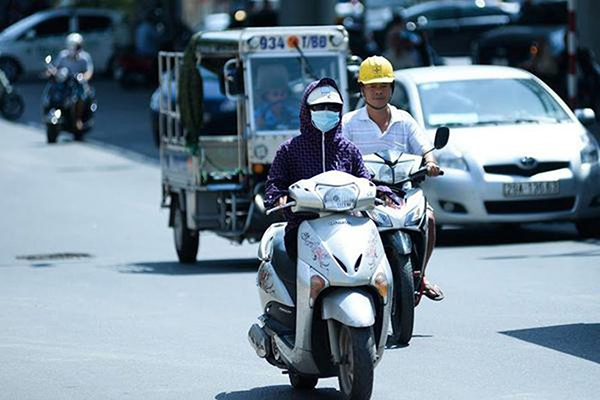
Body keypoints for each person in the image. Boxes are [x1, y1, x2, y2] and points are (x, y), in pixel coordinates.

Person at [342, 55, 445, 302]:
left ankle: (420, 276)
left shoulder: (404, 119)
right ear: (362, 90)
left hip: (403, 191)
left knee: (429, 219)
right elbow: (340, 155)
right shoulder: (349, 123)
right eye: (373, 86)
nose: (378, 92)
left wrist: (430, 163)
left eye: (384, 86)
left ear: (392, 88)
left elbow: (425, 148)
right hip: (365, 196)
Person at [265, 77, 396, 260]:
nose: (327, 112)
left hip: (348, 224)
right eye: (320, 108)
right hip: (304, 224)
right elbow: (275, 183)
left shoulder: (348, 149)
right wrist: (278, 197)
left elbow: (365, 180)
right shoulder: (289, 149)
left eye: (333, 108)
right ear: (307, 110)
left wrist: (381, 192)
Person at [50, 32, 94, 131]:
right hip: (65, 82)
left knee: (80, 96)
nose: (75, 49)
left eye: (77, 46)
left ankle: (78, 119)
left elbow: (89, 71)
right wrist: (51, 72)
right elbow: (55, 67)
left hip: (78, 83)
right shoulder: (63, 55)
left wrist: (83, 77)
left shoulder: (85, 57)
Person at [254, 64, 297, 130]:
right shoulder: (258, 114)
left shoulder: (292, 111)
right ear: (266, 96)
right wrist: (258, 125)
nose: (280, 98)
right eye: (275, 94)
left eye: (283, 94)